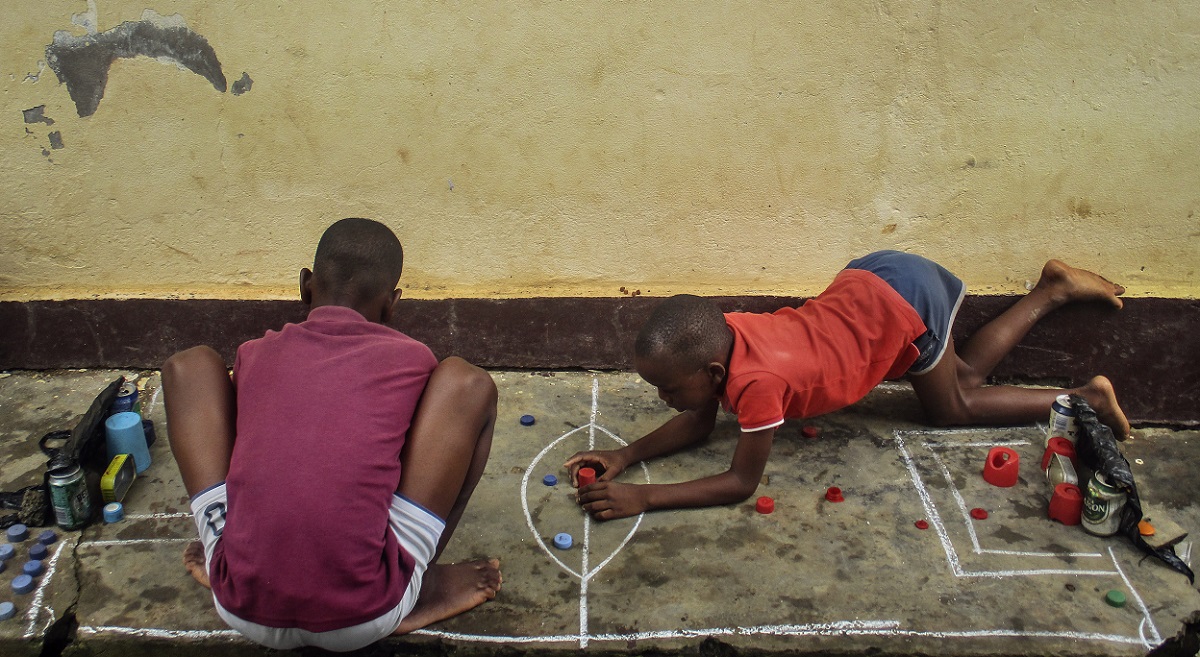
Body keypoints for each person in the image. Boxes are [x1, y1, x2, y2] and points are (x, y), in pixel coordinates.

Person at [565, 250, 1129, 521]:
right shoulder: (725, 334)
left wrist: (642, 497)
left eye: (667, 389)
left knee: (953, 406)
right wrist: (627, 454)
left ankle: (1085, 400)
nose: (664, 400)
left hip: (902, 302)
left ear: (712, 373)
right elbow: (698, 416)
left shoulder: (757, 387)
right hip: (872, 276)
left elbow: (740, 481)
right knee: (961, 378)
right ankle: (1052, 289)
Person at [162, 218, 502, 652]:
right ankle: (418, 582)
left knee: (187, 367)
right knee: (468, 384)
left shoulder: (254, 354)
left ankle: (221, 551)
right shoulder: (414, 360)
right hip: (367, 611)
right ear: (392, 304)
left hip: (238, 599)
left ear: (305, 285)